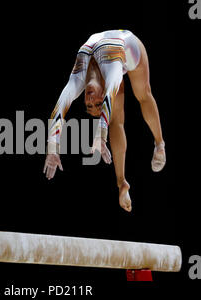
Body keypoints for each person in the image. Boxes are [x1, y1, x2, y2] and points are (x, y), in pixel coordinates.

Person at [42, 29, 166, 212]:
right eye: (97, 104)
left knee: (136, 98)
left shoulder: (78, 78)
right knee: (128, 108)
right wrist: (101, 135)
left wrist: (53, 147)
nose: (91, 101)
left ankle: (159, 144)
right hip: (125, 49)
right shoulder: (112, 73)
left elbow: (59, 107)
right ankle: (123, 181)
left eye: (89, 105)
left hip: (120, 45)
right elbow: (108, 95)